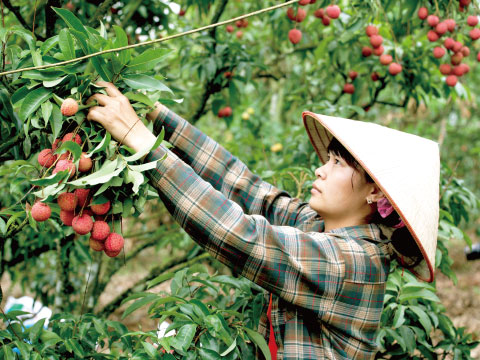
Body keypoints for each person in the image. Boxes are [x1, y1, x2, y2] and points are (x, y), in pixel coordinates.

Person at [87, 81, 440, 360]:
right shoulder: (318, 228)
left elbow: (242, 237)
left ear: (375, 193)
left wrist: (141, 141)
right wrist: (157, 117)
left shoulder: (353, 262)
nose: (319, 169)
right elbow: (246, 188)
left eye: (336, 163)